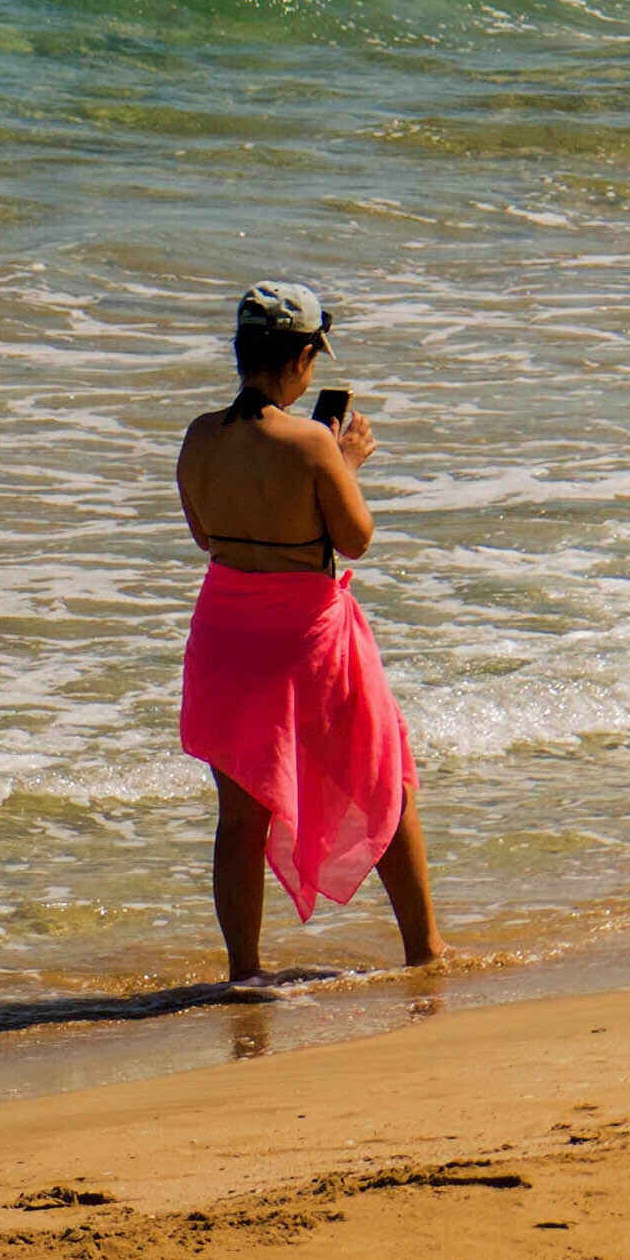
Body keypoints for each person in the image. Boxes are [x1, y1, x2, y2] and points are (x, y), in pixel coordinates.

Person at [172, 279, 438, 983]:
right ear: (301, 358)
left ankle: (245, 972)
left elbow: (206, 536)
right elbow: (355, 541)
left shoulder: (200, 436)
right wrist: (343, 465)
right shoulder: (312, 445)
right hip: (306, 635)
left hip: (224, 629)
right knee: (385, 777)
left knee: (239, 814)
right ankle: (424, 949)